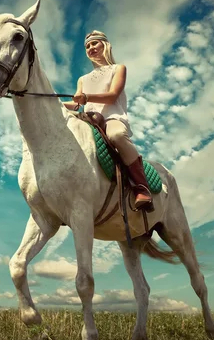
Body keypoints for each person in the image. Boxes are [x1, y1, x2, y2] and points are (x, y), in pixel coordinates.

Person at [63, 30, 153, 211]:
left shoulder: (118, 68)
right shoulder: (83, 79)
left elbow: (112, 96)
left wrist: (86, 97)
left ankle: (142, 187)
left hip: (111, 117)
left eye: (94, 43)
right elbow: (75, 104)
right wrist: (50, 102)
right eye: (87, 46)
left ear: (105, 45)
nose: (90, 48)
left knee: (117, 136)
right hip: (88, 120)